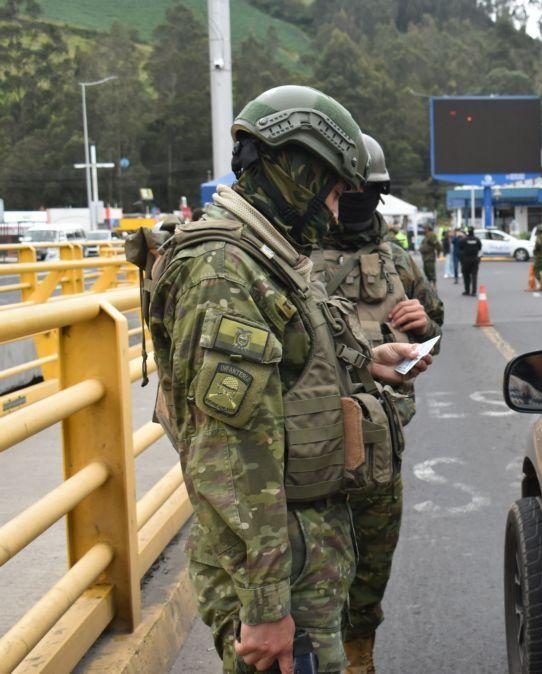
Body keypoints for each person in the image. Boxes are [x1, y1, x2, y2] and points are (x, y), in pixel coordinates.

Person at [147, 85, 432, 674]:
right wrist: (266, 605)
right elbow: (229, 451)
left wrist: (368, 362)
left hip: (303, 554)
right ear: (294, 168)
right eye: (332, 190)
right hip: (281, 574)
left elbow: (293, 360)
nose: (336, 210)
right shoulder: (223, 269)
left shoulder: (268, 257)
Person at [316, 133, 444, 674]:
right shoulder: (292, 255)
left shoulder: (399, 260)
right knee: (313, 567)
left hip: (382, 442)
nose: (352, 202)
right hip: (312, 440)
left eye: (363, 192)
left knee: (371, 563)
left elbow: (434, 333)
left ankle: (358, 657)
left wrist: (424, 327)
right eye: (343, 191)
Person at [459, 226, 482, 295]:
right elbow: (479, 247)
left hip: (466, 260)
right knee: (474, 276)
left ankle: (467, 290)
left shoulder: (464, 240)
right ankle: (474, 291)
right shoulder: (477, 240)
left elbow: (460, 248)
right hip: (474, 259)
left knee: (466, 276)